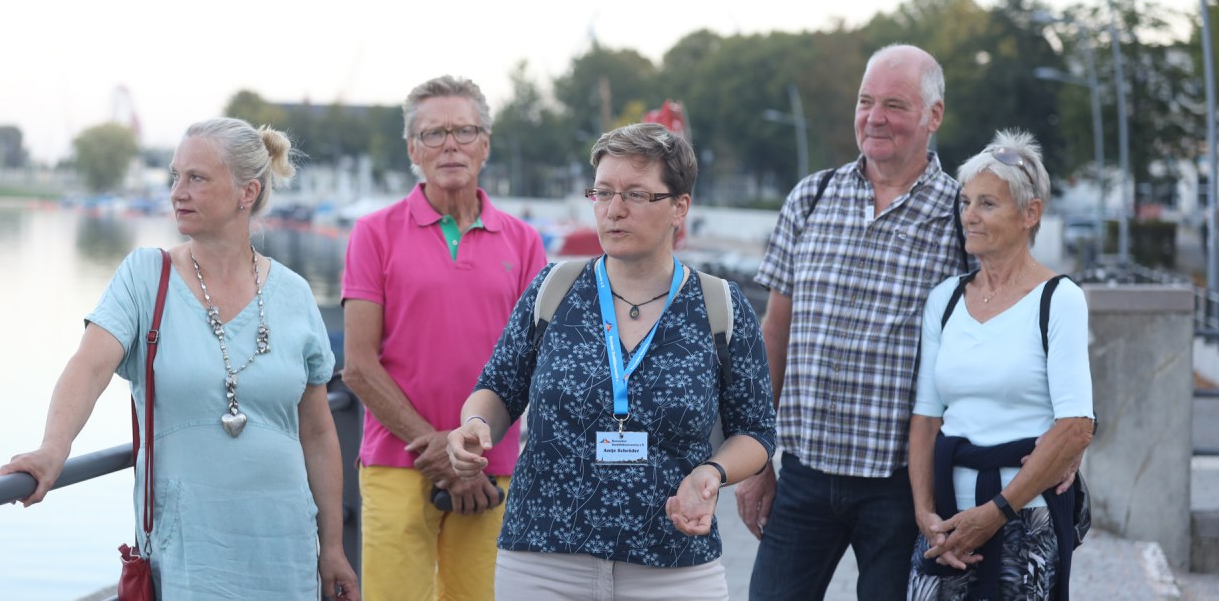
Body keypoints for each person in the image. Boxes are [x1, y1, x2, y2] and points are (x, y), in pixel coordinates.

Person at [0, 118, 359, 600]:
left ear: (247, 192)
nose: (177, 192)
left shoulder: (294, 294)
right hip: (188, 550)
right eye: (175, 176)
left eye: (197, 178)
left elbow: (316, 431)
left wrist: (332, 547)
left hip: (284, 551)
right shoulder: (146, 276)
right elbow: (89, 366)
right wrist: (53, 448)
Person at [446, 122, 777, 600]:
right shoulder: (553, 289)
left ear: (679, 207)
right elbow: (498, 389)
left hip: (674, 566)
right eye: (602, 193)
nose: (614, 210)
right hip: (543, 562)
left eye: (636, 195)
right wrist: (475, 425)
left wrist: (712, 473)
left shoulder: (719, 305)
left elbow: (756, 431)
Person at [740, 43, 970, 600]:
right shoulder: (811, 197)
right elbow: (775, 332)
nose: (875, 117)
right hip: (803, 474)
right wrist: (754, 457)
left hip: (903, 487)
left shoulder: (963, 216)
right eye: (866, 102)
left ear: (933, 115)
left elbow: (995, 339)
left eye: (895, 104)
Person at [340, 75, 546, 601]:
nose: (450, 144)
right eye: (434, 134)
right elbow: (358, 366)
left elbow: (536, 364)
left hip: (490, 471)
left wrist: (467, 455)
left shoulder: (525, 243)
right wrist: (439, 448)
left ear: (485, 144)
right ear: (413, 149)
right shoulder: (373, 233)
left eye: (464, 131)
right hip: (397, 462)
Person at [907, 130, 1094, 600]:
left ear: (1031, 213)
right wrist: (925, 514)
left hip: (1025, 519)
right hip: (947, 520)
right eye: (966, 201)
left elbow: (1076, 426)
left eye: (987, 204)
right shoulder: (945, 300)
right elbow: (926, 419)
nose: (969, 215)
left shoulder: (1059, 299)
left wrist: (994, 514)